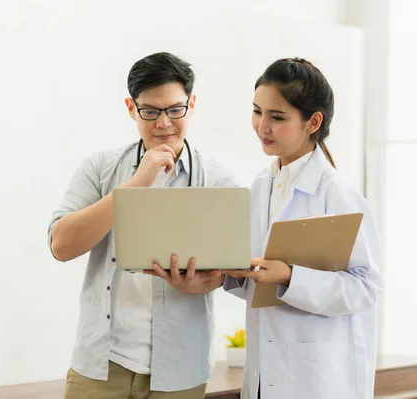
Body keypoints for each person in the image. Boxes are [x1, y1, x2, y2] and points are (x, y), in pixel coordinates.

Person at [48, 52, 238, 399]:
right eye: (150, 111)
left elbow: (230, 272)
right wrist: (137, 183)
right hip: (99, 367)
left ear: (191, 105)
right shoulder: (100, 167)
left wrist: (203, 283)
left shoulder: (220, 182)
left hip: (179, 370)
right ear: (131, 108)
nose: (163, 123)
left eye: (175, 110)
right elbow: (61, 245)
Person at [224, 58, 382, 399]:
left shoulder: (336, 192)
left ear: (313, 121)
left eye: (277, 117)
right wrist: (232, 272)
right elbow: (257, 278)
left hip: (317, 379)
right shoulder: (261, 186)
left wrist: (289, 276)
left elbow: (365, 288)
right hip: (267, 373)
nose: (262, 126)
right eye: (257, 112)